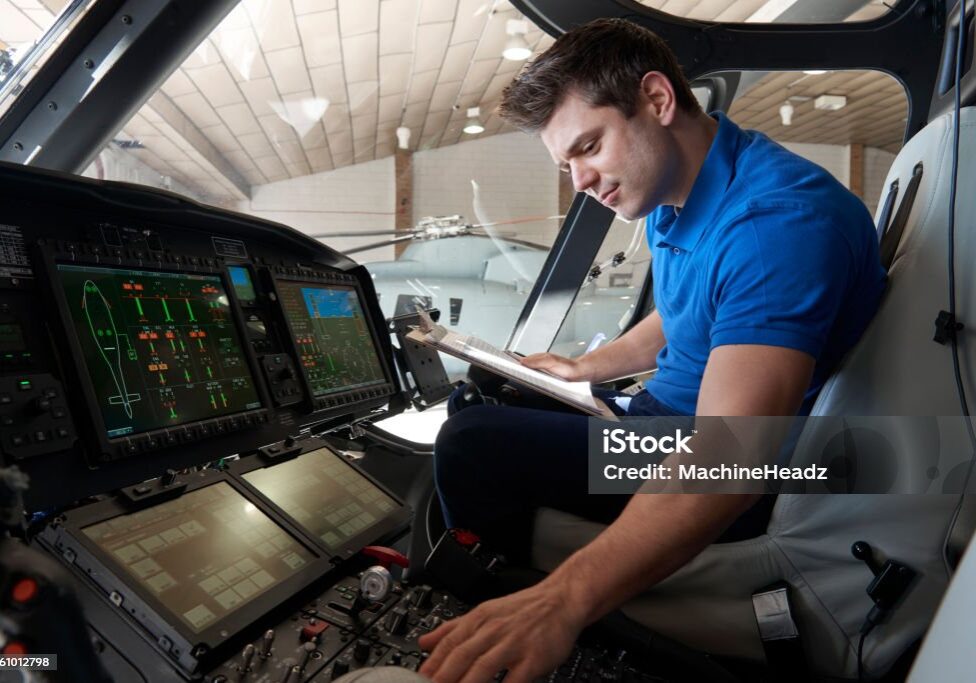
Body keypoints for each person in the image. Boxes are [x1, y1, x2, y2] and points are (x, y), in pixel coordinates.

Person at [418, 18, 886, 683]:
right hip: (660, 419)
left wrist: (566, 599)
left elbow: (732, 456)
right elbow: (684, 312)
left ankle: (522, 619)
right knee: (487, 395)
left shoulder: (774, 225)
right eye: (566, 163)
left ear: (658, 101)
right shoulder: (678, 193)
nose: (579, 179)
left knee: (471, 445)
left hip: (730, 461)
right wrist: (582, 369)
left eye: (588, 146)